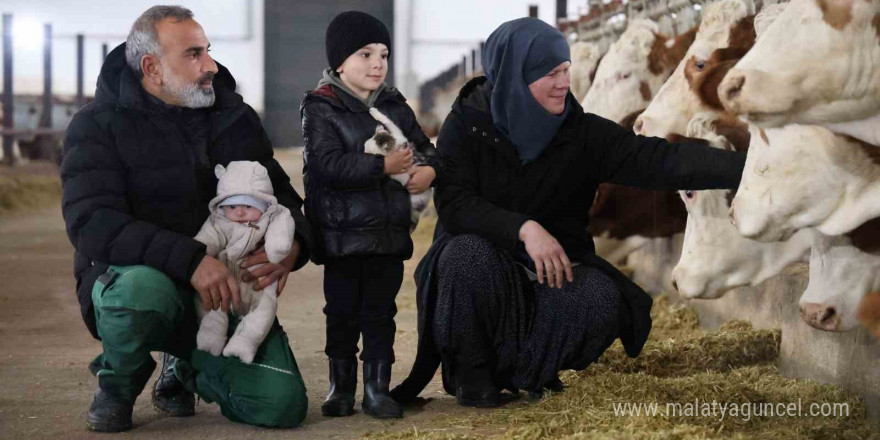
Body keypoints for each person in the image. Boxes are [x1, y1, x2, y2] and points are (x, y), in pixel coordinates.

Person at [390, 18, 746, 407]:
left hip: (552, 274)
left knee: (602, 298)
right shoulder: (468, 125)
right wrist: (525, 229)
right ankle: (473, 373)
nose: (564, 83)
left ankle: (520, 371)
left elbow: (660, 160)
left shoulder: (580, 133)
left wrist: (756, 165)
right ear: (515, 75)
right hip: (485, 272)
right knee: (464, 254)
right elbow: (456, 205)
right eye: (550, 73)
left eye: (565, 71)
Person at [60, 6, 311, 432]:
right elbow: (91, 222)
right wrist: (192, 260)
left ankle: (187, 364)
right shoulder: (97, 125)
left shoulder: (235, 119)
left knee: (280, 406)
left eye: (207, 51)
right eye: (194, 55)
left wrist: (295, 248)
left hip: (222, 294)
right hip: (145, 282)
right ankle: (120, 380)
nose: (210, 65)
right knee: (139, 292)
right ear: (152, 68)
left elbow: (282, 199)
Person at [299, 11, 440, 419]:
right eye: (366, 54)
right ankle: (340, 387)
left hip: (387, 235)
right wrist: (383, 168)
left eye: (384, 54)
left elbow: (428, 151)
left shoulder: (395, 106)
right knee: (341, 313)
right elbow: (325, 164)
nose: (378, 63)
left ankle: (377, 390)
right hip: (341, 237)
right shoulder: (320, 107)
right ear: (340, 62)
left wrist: (429, 171)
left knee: (380, 314)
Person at [193, 161, 296, 365]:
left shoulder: (272, 216)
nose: (239, 213)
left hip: (256, 279)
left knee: (265, 307)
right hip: (223, 279)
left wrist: (278, 248)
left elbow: (281, 233)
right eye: (232, 206)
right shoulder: (218, 221)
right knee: (207, 301)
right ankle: (212, 331)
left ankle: (247, 340)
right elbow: (206, 241)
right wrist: (197, 255)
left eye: (248, 206)